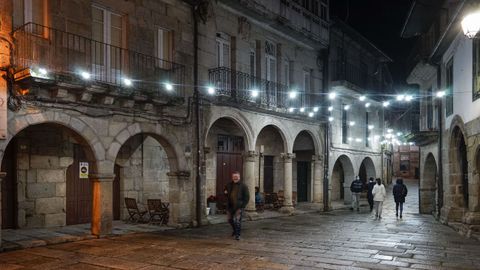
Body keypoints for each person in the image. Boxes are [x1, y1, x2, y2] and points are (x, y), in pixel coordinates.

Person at [224, 171, 250, 240]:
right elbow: (225, 192)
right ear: (232, 177)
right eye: (234, 177)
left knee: (237, 220)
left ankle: (237, 235)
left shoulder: (244, 186)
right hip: (230, 206)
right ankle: (235, 231)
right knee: (230, 220)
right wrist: (225, 193)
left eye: (236, 177)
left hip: (239, 206)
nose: (235, 178)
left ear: (239, 177)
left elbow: (247, 197)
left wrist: (243, 206)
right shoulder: (228, 185)